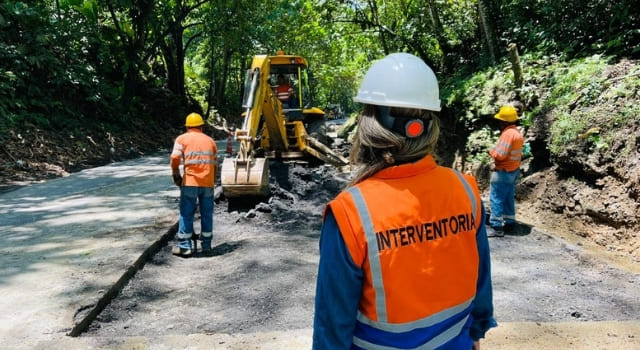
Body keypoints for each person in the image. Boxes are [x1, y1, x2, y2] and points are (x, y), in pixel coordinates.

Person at [312, 53, 496, 349]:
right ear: (429, 123)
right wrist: (475, 332)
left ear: (370, 122)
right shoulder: (465, 189)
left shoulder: (350, 213)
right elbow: (481, 281)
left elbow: (332, 327)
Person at [170, 112, 218, 256]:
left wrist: (175, 173)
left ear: (187, 127)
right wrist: (212, 180)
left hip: (190, 182)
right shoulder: (211, 141)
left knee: (186, 213)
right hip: (208, 183)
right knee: (207, 214)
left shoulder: (182, 139)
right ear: (201, 127)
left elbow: (174, 157)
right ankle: (207, 245)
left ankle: (185, 246)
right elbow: (216, 164)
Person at [487, 105, 524, 237]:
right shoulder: (517, 134)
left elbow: (500, 155)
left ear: (504, 121)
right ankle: (510, 222)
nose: (498, 123)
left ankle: (496, 226)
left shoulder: (507, 134)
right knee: (508, 197)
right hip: (513, 171)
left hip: (503, 171)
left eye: (500, 120)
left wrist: (491, 151)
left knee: (496, 198)